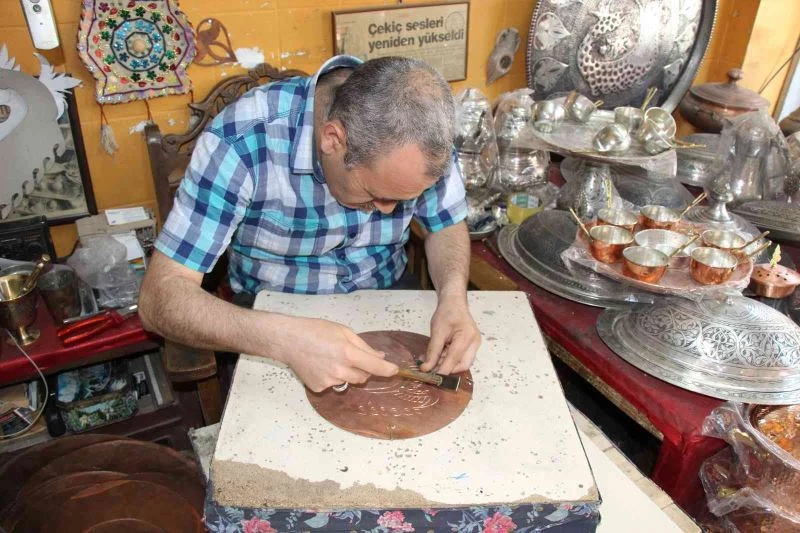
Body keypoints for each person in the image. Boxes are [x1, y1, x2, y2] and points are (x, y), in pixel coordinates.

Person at [138, 55, 480, 393]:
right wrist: (285, 340)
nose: (389, 212)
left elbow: (446, 223)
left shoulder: (422, 135)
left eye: (404, 199)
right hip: (272, 315)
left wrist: (453, 298)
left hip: (386, 295)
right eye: (376, 193)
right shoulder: (241, 140)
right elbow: (160, 299)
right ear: (332, 139)